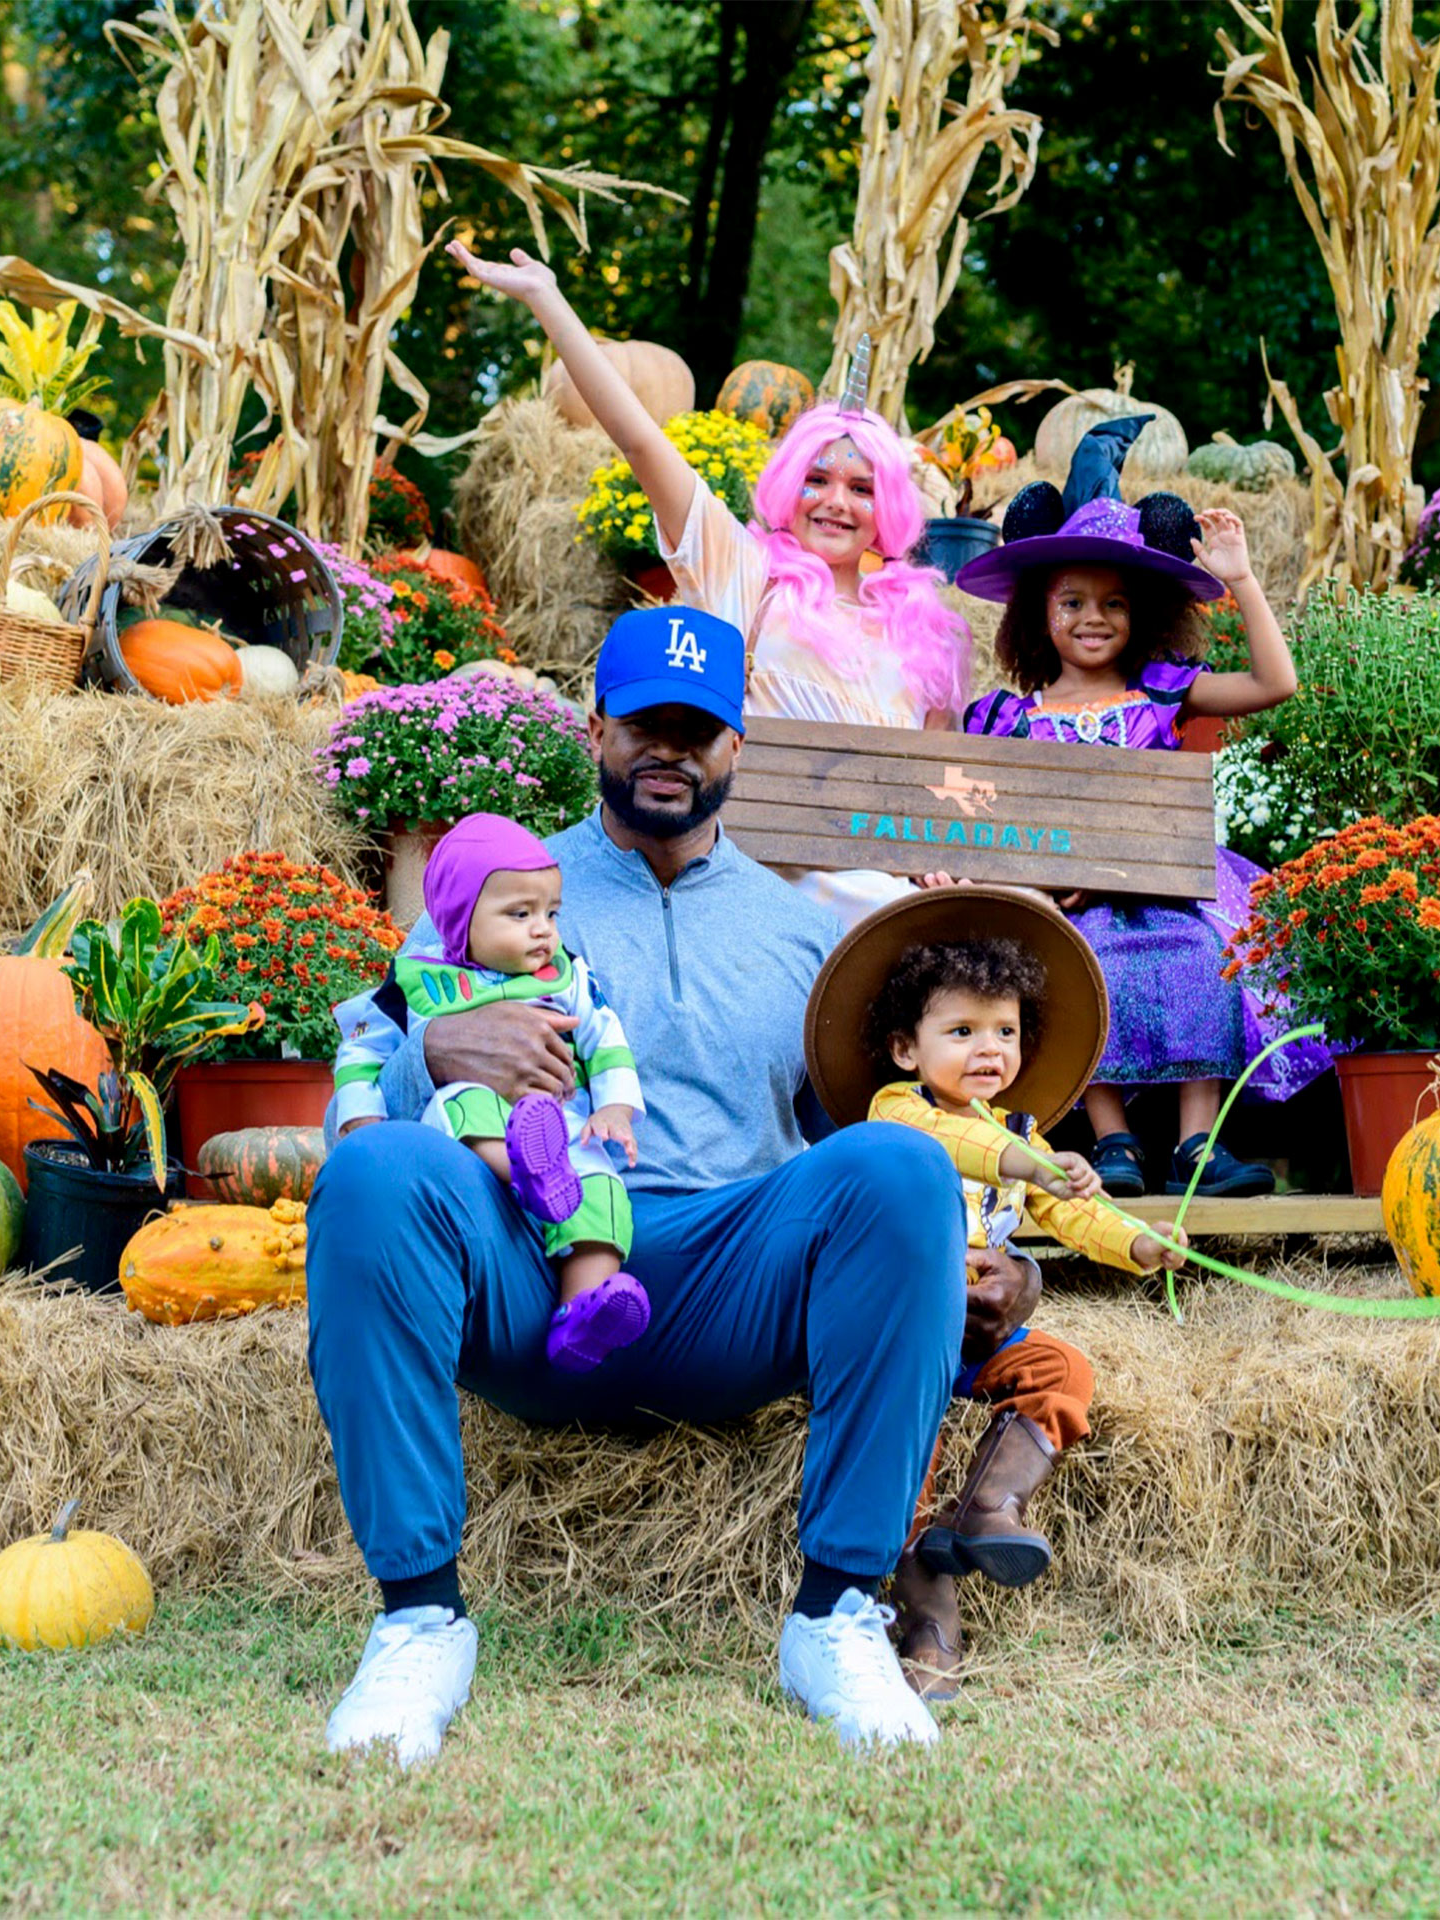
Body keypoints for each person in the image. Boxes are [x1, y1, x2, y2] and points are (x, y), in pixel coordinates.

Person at [308, 602, 1032, 1766]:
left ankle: (837, 1613)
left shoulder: (808, 938)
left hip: (727, 1292)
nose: (670, 751)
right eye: (645, 723)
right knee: (383, 1169)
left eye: (697, 731)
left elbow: (900, 1146)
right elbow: (353, 1101)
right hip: (532, 1270)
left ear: (736, 748)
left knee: (896, 1166)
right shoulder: (499, 890)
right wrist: (429, 1055)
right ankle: (418, 1619)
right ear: (595, 728)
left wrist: (998, 1256)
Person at [449, 238, 971, 926]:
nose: (835, 501)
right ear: (789, 485)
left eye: (859, 486)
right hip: (767, 879)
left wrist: (945, 855)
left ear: (889, 506)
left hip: (885, 891)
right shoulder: (746, 573)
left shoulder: (922, 629)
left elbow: (939, 789)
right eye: (816, 479)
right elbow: (640, 441)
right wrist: (549, 302)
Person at [800, 891, 1183, 1700]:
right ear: (907, 1048)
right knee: (908, 1434)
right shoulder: (899, 1111)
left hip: (983, 1329)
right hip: (909, 1332)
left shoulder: (1024, 1136)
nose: (989, 1049)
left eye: (1005, 1032)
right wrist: (1026, 1160)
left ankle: (987, 1510)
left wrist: (1139, 1243)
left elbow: (1073, 1214)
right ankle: (923, 1605)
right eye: (963, 1032)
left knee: (1063, 1373)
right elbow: (959, 1143)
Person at [952, 418, 1305, 1199]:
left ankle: (1197, 1146)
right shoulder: (1006, 718)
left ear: (1140, 612)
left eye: (1114, 602)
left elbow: (1274, 684)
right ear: (1037, 614)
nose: (1092, 617)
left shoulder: (1161, 694)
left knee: (1204, 962)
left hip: (1166, 887)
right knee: (1080, 969)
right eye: (1071, 600)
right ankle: (1114, 1140)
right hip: (1070, 898)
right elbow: (981, 814)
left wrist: (1240, 579)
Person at [330, 813, 649, 1374]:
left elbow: (606, 1039)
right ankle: (525, 1171)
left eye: (551, 913)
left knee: (600, 1181)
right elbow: (360, 1052)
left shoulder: (568, 977)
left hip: (559, 1125)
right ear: (459, 920)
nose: (543, 929)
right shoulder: (418, 981)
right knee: (463, 1101)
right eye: (519, 914)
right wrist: (361, 1118)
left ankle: (581, 1314)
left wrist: (615, 1110)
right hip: (473, 1152)